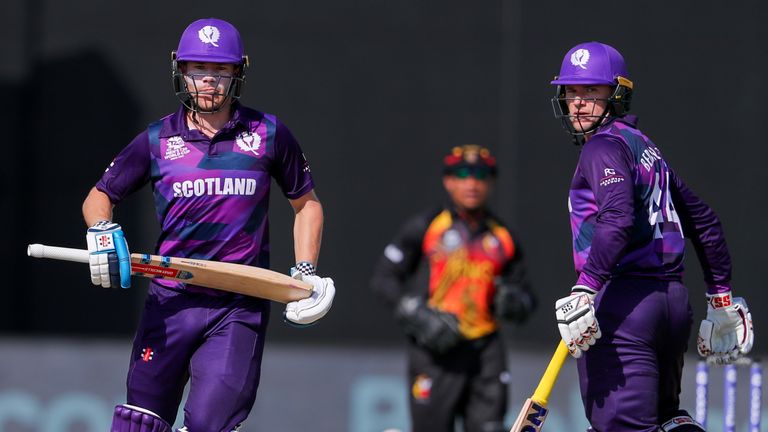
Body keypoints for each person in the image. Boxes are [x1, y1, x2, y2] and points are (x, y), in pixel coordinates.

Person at [81, 18, 335, 431]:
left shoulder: (268, 133)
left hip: (237, 303)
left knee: (207, 425)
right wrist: (102, 231)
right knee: (139, 423)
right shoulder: (157, 138)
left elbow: (306, 205)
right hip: (170, 299)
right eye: (198, 70)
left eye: (221, 71)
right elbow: (99, 197)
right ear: (181, 71)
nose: (209, 82)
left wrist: (305, 272)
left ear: (238, 73)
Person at [549, 41, 754, 432]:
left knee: (620, 427)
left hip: (625, 305)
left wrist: (585, 289)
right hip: (671, 305)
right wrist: (721, 297)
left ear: (618, 94)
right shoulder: (644, 147)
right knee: (667, 418)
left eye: (592, 91)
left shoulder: (603, 147)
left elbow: (617, 218)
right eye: (572, 91)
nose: (578, 102)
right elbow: (705, 221)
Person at [370, 145, 535, 432]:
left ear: (491, 182)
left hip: (485, 353)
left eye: (480, 175)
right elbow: (384, 278)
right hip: (435, 351)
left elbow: (528, 298)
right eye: (462, 174)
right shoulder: (427, 226)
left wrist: (514, 302)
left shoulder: (502, 237)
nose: (471, 183)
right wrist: (416, 313)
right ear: (448, 181)